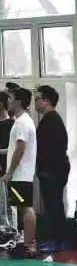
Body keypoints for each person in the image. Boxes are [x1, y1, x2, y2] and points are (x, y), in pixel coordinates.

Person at [2, 87, 37, 258]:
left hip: (21, 174)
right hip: (21, 174)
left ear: (19, 101)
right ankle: (27, 243)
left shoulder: (22, 123)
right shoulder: (21, 121)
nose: (8, 101)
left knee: (26, 208)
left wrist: (9, 172)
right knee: (23, 207)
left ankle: (29, 245)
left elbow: (20, 149)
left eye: (10, 98)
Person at [35, 85, 70, 254]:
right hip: (50, 169)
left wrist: (46, 171)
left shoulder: (52, 120)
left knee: (54, 205)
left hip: (53, 170)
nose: (35, 103)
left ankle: (58, 240)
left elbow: (54, 148)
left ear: (47, 101)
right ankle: (56, 238)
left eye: (37, 99)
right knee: (52, 205)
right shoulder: (47, 120)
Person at [0, 91, 14, 231]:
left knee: (8, 204)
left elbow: (14, 148)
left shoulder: (11, 124)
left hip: (7, 170)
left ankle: (11, 231)